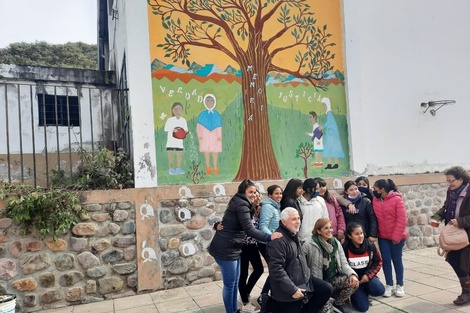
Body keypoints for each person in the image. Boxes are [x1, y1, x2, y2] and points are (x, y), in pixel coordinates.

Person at [209, 179, 282, 313]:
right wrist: (268, 237)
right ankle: (231, 310)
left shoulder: (244, 203)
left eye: (255, 192)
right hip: (226, 248)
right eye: (250, 192)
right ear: (243, 191)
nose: (254, 194)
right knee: (230, 285)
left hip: (235, 246)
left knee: (235, 282)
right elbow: (249, 229)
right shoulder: (242, 204)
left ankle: (234, 309)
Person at [267, 208, 333, 313]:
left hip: (303, 280)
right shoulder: (278, 241)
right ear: (284, 221)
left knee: (326, 289)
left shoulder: (292, 234)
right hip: (288, 289)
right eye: (294, 219)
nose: (298, 222)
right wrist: (293, 289)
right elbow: (276, 270)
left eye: (298, 218)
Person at [303, 218, 359, 313]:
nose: (330, 230)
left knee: (354, 282)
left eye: (331, 227)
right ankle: (326, 302)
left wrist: (352, 274)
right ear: (318, 231)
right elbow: (303, 268)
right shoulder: (308, 244)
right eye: (326, 228)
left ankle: (338, 302)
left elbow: (344, 263)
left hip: (332, 279)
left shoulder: (336, 243)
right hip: (319, 283)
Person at [433, 166, 470, 305]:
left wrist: (460, 221)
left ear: (461, 179)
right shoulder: (451, 192)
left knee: (460, 262)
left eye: (451, 180)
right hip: (455, 234)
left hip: (467, 234)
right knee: (456, 260)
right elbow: (446, 207)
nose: (449, 184)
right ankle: (467, 291)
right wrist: (437, 216)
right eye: (447, 181)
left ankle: (467, 292)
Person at [372, 179, 407, 298]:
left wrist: (396, 236)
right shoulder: (375, 200)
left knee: (397, 260)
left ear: (382, 189)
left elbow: (402, 219)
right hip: (383, 237)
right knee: (386, 260)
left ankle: (400, 285)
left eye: (375, 188)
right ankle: (389, 285)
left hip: (397, 237)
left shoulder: (397, 200)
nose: (373, 191)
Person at [343, 222, 385, 312]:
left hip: (366, 277)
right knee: (363, 308)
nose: (360, 236)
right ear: (350, 236)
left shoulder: (370, 245)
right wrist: (352, 277)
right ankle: (354, 295)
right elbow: (342, 266)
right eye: (356, 234)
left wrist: (368, 275)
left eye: (361, 233)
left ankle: (365, 290)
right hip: (353, 280)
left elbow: (378, 261)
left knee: (380, 290)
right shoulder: (345, 248)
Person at [238, 190, 264, 312]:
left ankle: (245, 293)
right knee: (243, 273)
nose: (257, 197)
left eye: (258, 195)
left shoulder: (256, 210)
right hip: (243, 246)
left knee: (259, 269)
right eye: (254, 195)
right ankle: (244, 302)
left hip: (252, 244)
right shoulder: (245, 210)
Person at [257, 185, 283, 298]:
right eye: (276, 193)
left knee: (275, 270)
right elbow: (262, 227)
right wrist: (272, 237)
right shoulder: (268, 207)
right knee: (275, 270)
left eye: (280, 193)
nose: (279, 196)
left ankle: (268, 294)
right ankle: (265, 295)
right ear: (270, 195)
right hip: (267, 243)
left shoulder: (276, 206)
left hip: (273, 243)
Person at [196, 93, 222, 175]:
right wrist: (199, 135)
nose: (209, 103)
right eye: (207, 101)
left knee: (215, 151)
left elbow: (219, 126)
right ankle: (207, 166)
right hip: (205, 134)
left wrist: (219, 136)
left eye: (211, 101)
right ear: (205, 102)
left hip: (214, 134)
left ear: (214, 102)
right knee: (206, 151)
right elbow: (199, 126)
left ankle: (215, 166)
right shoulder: (202, 115)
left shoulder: (217, 115)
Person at [164, 102, 188, 175]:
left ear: (182, 110)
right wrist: (173, 129)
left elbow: (186, 130)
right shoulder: (170, 120)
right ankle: (171, 169)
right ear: (173, 111)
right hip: (171, 141)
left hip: (179, 142)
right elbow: (166, 128)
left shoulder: (183, 120)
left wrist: (183, 132)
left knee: (179, 155)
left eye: (179, 109)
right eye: (176, 109)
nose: (178, 111)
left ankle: (178, 168)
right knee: (171, 156)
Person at [321, 97, 344, 170]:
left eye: (324, 105)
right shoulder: (328, 114)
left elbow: (329, 123)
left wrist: (323, 127)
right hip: (330, 134)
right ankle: (330, 164)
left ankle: (334, 164)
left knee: (331, 149)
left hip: (331, 135)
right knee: (330, 149)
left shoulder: (329, 113)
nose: (323, 107)